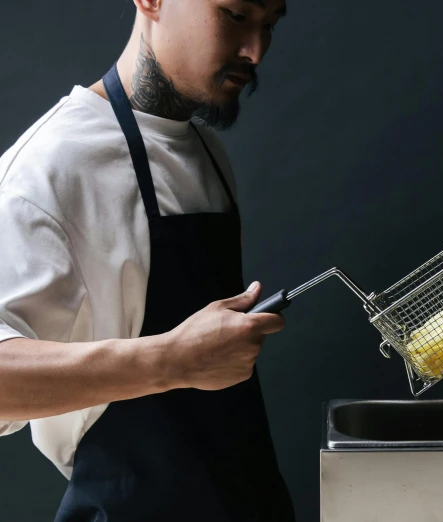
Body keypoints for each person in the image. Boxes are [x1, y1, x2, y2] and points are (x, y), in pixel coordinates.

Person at [0, 0, 295, 520]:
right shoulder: (51, 166)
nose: (255, 51)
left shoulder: (206, 149)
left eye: (268, 25)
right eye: (234, 15)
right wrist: (172, 361)